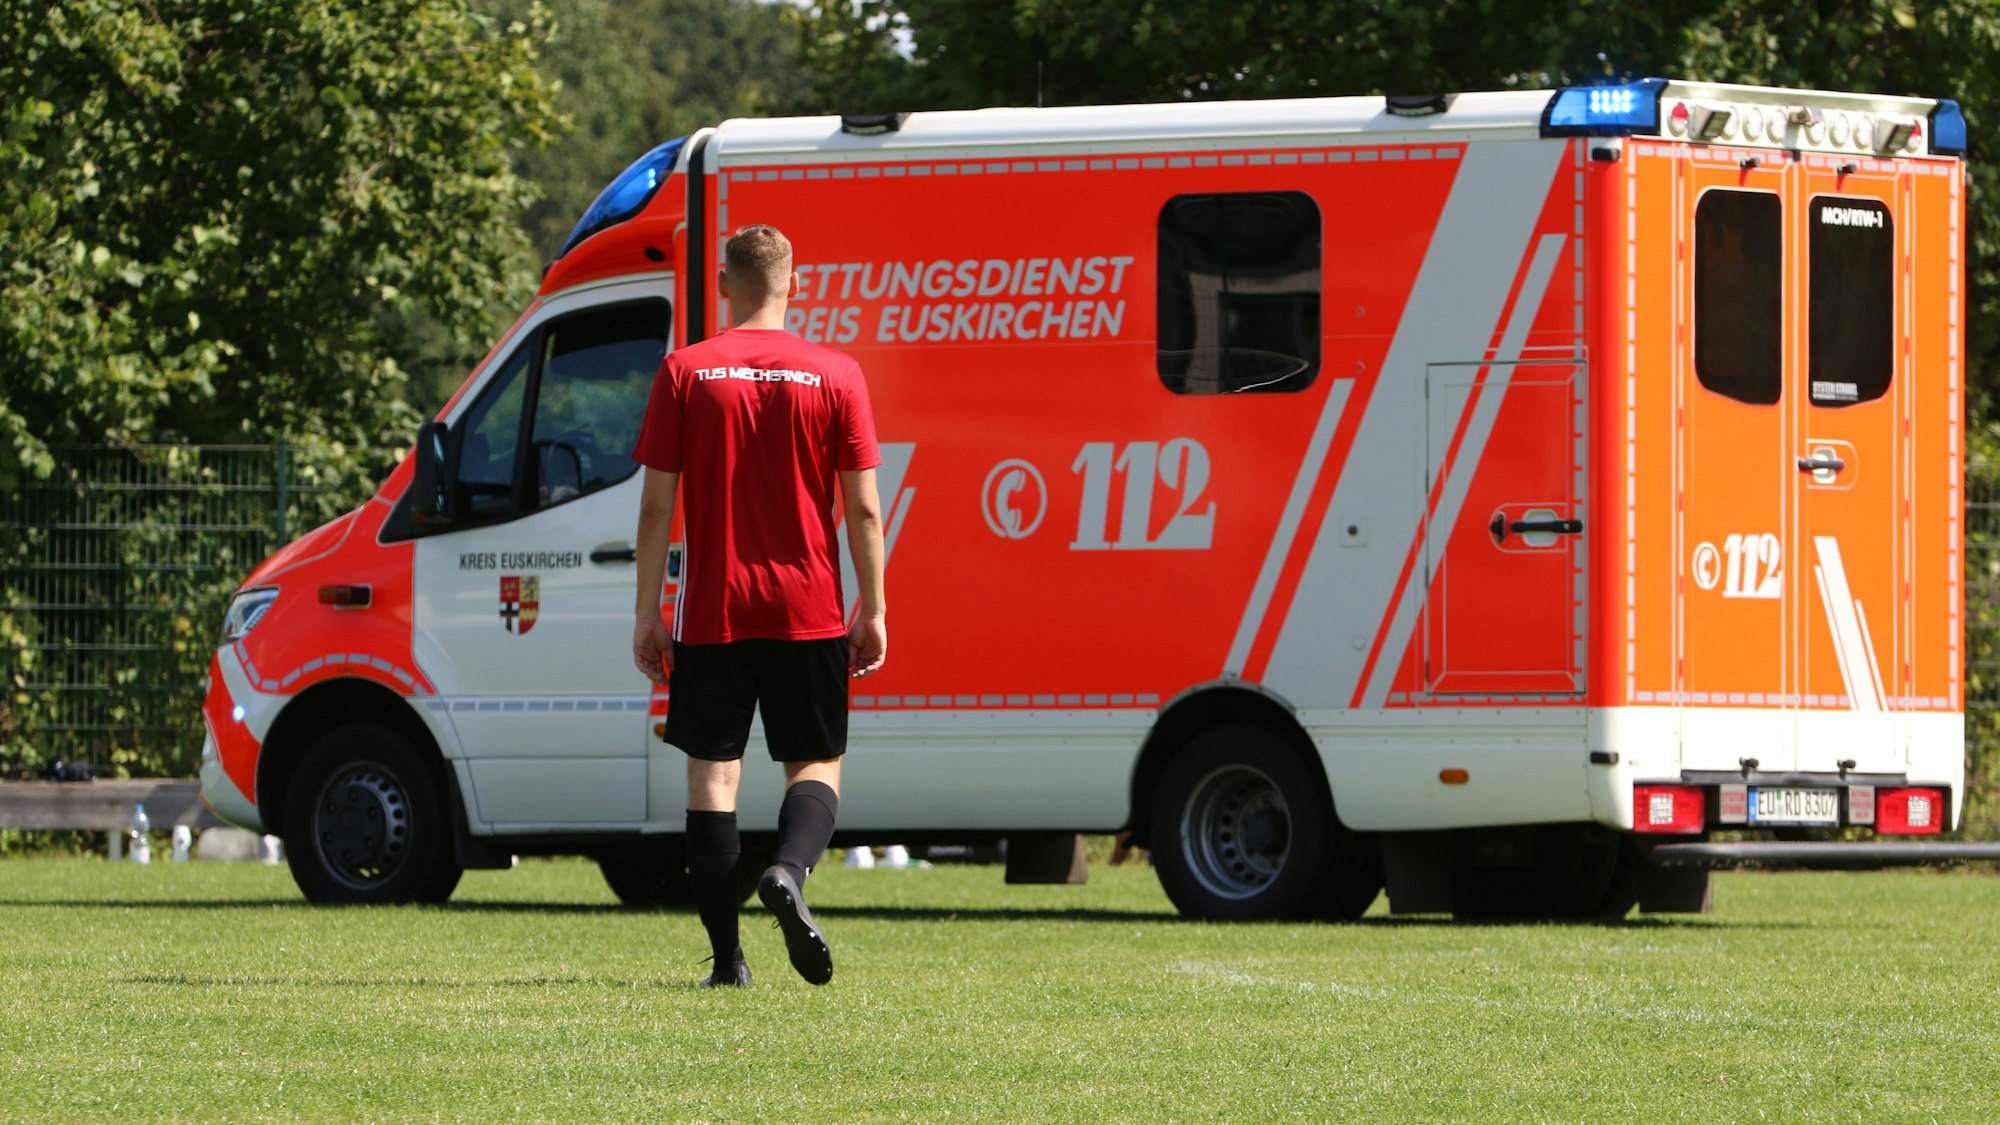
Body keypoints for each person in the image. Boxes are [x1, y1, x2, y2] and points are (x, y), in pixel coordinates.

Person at [629, 224, 887, 988]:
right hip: (809, 606)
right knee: (817, 763)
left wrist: (647, 611)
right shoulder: (838, 373)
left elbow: (656, 507)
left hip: (715, 609)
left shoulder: (685, 371)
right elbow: (864, 510)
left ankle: (727, 962)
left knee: (714, 779)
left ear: (723, 284)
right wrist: (873, 608)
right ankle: (789, 871)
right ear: (794, 284)